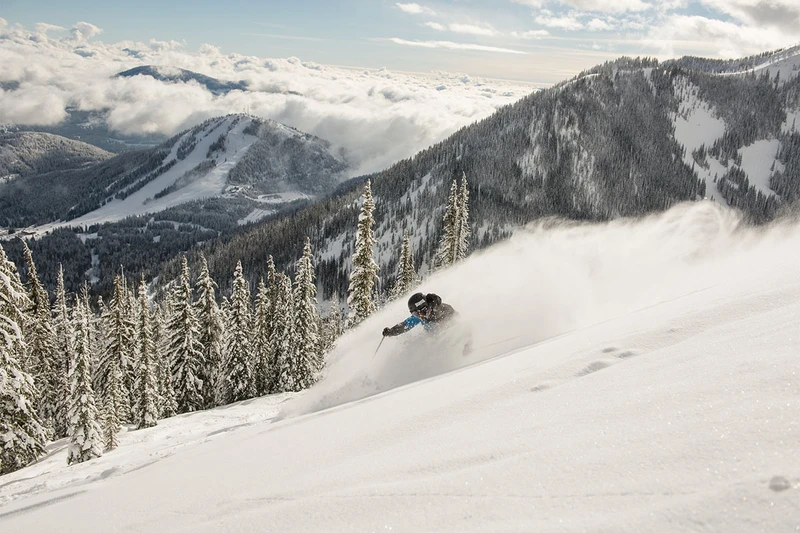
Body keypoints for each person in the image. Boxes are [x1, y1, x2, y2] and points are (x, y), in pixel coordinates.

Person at [382, 292, 456, 337]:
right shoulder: (420, 317)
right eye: (415, 314)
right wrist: (391, 331)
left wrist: (435, 300)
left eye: (419, 313)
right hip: (436, 339)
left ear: (425, 308)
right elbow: (405, 325)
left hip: (451, 335)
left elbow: (458, 325)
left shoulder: (438, 310)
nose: (419, 316)